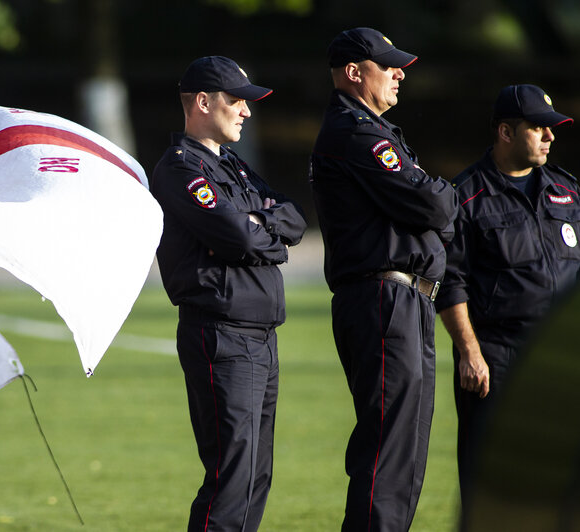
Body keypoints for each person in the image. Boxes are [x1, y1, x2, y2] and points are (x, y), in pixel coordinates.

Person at [309, 28, 459, 531]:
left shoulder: (375, 131)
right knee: (388, 451)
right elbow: (434, 203)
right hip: (383, 298)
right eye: (388, 64)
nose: (400, 72)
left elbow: (432, 208)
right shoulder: (355, 132)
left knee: (409, 450)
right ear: (354, 72)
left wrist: (436, 203)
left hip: (407, 300)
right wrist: (439, 198)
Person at [151, 55, 306, 532]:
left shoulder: (233, 165)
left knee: (257, 475)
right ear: (202, 102)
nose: (246, 111)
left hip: (259, 335)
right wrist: (259, 226)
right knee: (231, 477)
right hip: (221, 335)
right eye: (236, 100)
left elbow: (295, 220)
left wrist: (258, 224)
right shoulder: (179, 169)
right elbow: (238, 237)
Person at [435, 84, 578, 518]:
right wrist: (470, 353)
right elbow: (450, 282)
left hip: (560, 357)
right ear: (506, 132)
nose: (551, 137)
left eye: (552, 129)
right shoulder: (466, 196)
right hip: (498, 356)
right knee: (492, 482)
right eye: (539, 129)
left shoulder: (568, 192)